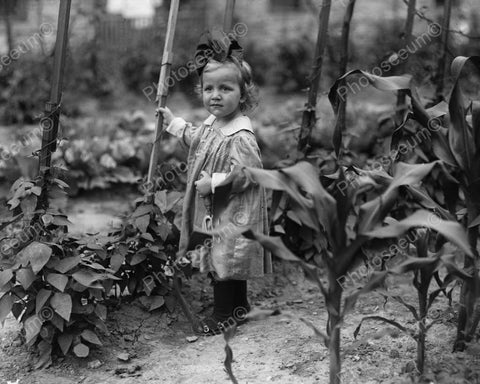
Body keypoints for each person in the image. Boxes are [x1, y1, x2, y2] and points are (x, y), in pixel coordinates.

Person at [157, 30, 272, 335]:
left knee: (225, 259)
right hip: (219, 210)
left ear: (243, 94)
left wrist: (215, 183)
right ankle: (239, 306)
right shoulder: (213, 124)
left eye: (225, 88)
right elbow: (197, 140)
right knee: (226, 258)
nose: (215, 95)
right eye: (209, 89)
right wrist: (174, 122)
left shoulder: (241, 135)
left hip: (234, 210)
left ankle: (223, 315)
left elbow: (248, 173)